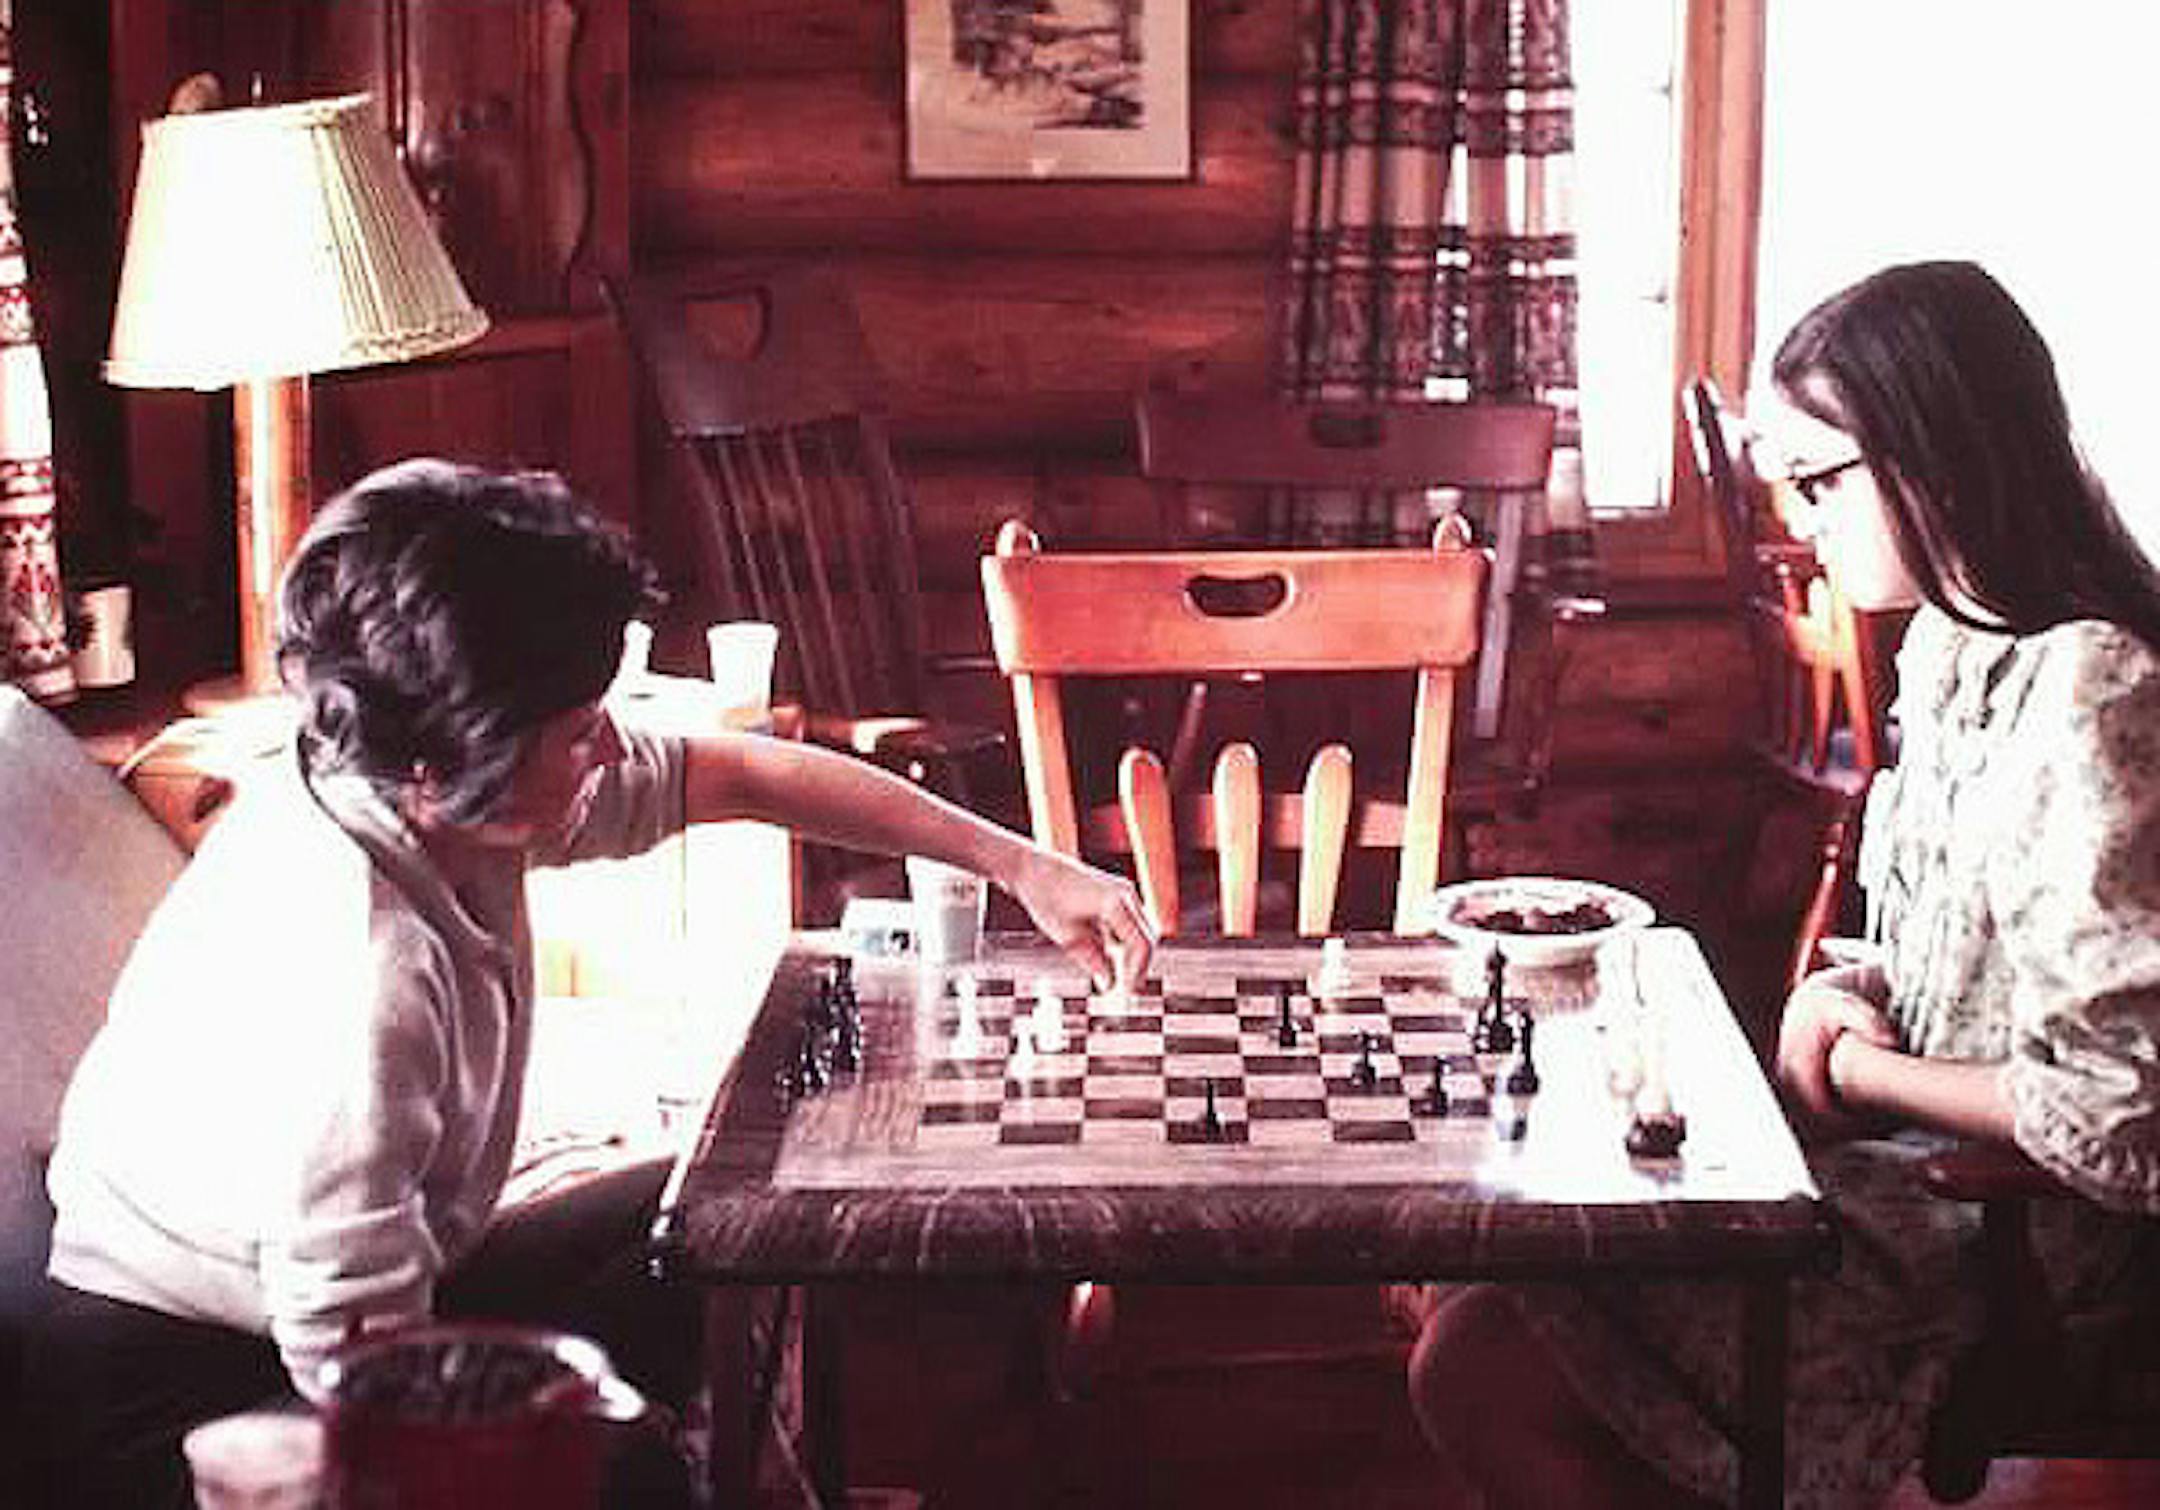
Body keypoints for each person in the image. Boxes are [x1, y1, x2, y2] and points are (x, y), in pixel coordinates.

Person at [25, 458, 1155, 1508]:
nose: (611, 748)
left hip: (340, 1313)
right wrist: (615, 1440)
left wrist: (1021, 863)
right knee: (624, 1462)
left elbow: (739, 770)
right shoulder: (362, 975)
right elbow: (367, 1381)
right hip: (183, 1411)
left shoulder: (427, 787)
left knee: (735, 1212)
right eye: (576, 729)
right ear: (445, 760)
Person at [1407, 260, 2160, 1508]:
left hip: (2014, 1252)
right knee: (1484, 1291)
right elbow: (1970, 949)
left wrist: (1847, 1063)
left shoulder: (2091, 690)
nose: (1802, 525)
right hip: (1914, 1188)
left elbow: (2121, 1113)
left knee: (1481, 1355)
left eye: (1821, 484)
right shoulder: (1955, 645)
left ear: (1942, 456)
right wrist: (1851, 984)